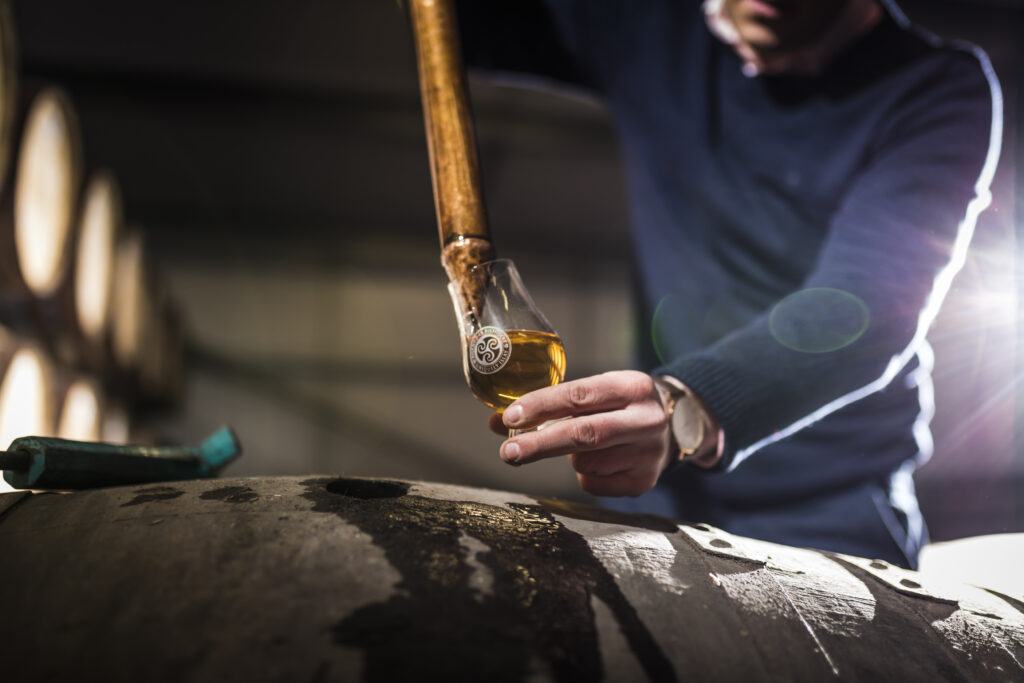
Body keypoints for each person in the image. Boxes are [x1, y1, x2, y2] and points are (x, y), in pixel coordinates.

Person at [458, 0, 1001, 568]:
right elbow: (466, 27)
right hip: (663, 490)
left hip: (831, 506)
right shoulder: (645, 25)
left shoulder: (936, 88)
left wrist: (686, 409)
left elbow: (868, 306)